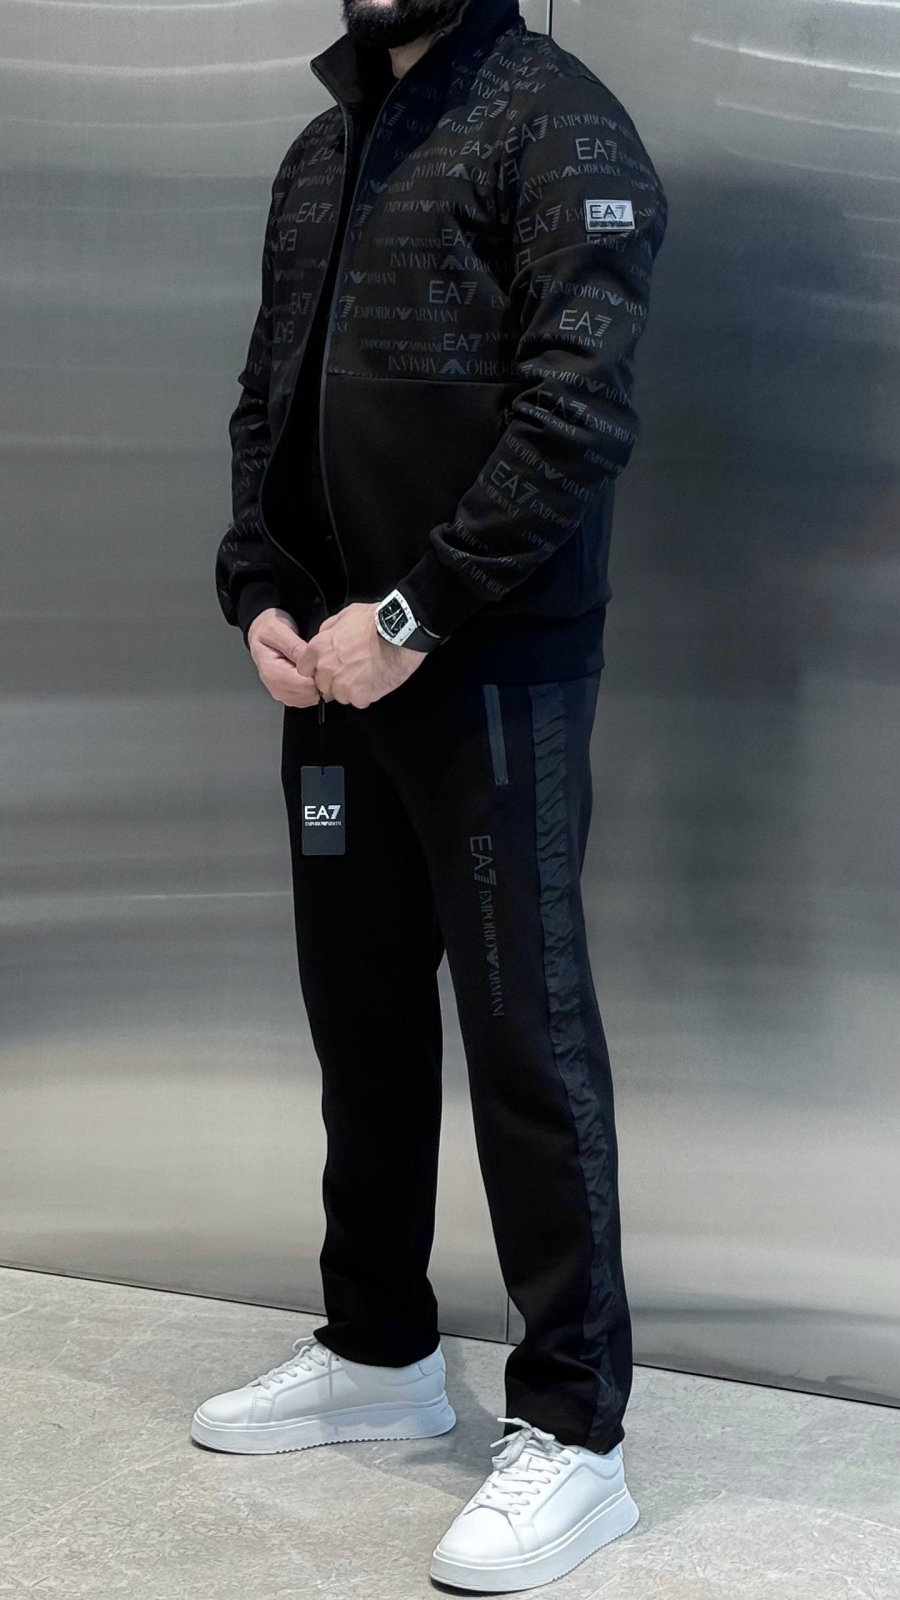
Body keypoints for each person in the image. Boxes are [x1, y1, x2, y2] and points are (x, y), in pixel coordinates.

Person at [201, 0, 667, 1589]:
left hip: (487, 673)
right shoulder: (318, 151)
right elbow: (267, 398)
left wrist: (411, 617)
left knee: (528, 1038)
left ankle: (579, 1434)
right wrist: (261, 592)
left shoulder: (561, 122)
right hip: (332, 678)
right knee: (364, 1022)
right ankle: (379, 1350)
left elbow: (575, 416)